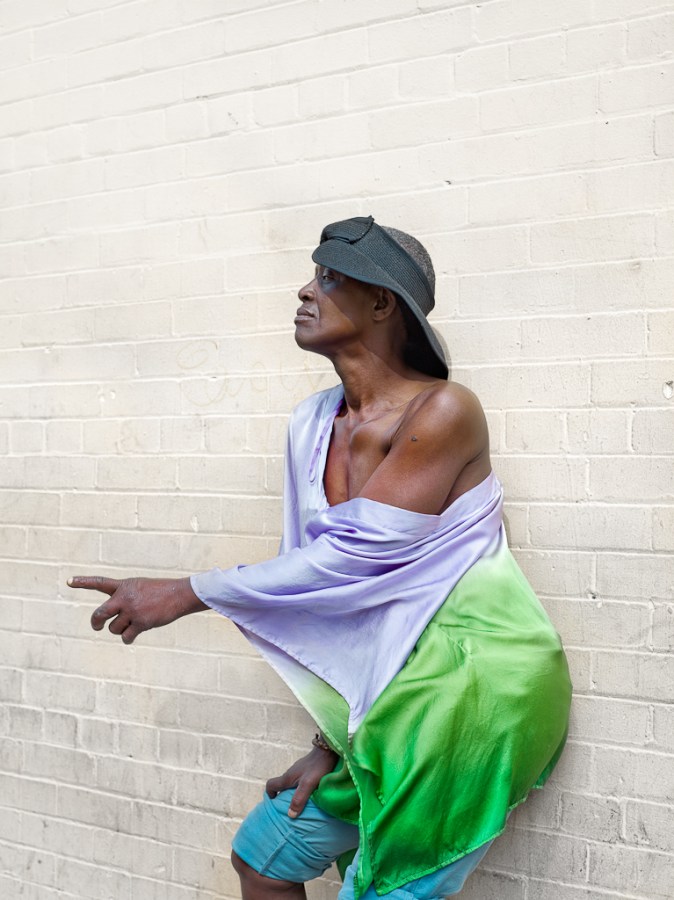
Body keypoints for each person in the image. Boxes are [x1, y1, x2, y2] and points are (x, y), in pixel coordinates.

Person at [69, 215, 572, 900]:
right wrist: (329, 742)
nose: (305, 291)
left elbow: (354, 562)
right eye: (311, 274)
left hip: (470, 692)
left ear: (382, 304)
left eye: (330, 277)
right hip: (389, 701)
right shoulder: (311, 423)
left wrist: (188, 591)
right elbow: (336, 605)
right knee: (265, 854)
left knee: (381, 888)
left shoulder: (446, 411)